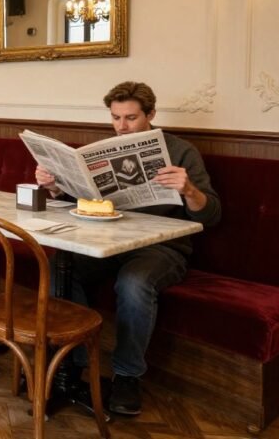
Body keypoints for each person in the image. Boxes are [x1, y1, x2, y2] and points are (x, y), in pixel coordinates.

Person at [35, 81, 221, 416]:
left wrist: (189, 189)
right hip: (109, 241)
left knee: (134, 283)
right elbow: (84, 201)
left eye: (131, 118)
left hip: (163, 248)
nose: (122, 126)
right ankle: (74, 363)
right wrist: (53, 187)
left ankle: (126, 376)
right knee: (60, 268)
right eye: (116, 118)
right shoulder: (103, 149)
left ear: (151, 114)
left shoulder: (181, 152)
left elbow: (212, 214)